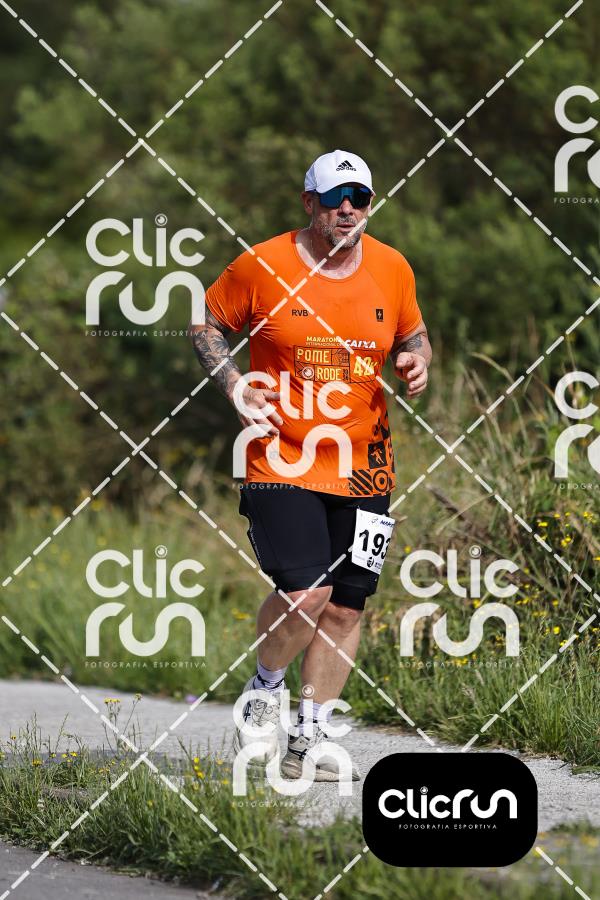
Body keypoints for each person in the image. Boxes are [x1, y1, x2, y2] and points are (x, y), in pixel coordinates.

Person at [191, 149, 431, 781]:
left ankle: (309, 736)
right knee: (305, 595)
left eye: (359, 198)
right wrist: (235, 386)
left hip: (366, 464)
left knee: (346, 607)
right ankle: (264, 690)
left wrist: (417, 360)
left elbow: (412, 333)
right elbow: (206, 327)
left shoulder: (392, 267)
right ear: (310, 204)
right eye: (334, 199)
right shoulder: (262, 264)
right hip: (282, 455)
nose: (347, 209)